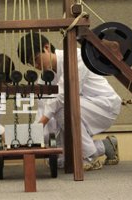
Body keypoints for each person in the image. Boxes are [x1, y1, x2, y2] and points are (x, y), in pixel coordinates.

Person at [18, 32, 121, 171]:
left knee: (63, 108)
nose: (36, 65)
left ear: (47, 48)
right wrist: (35, 138)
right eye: (31, 63)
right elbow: (43, 111)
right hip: (80, 108)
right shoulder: (44, 79)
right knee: (61, 160)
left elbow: (63, 96)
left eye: (36, 59)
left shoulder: (76, 57)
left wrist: (39, 125)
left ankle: (88, 157)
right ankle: (106, 146)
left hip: (104, 105)